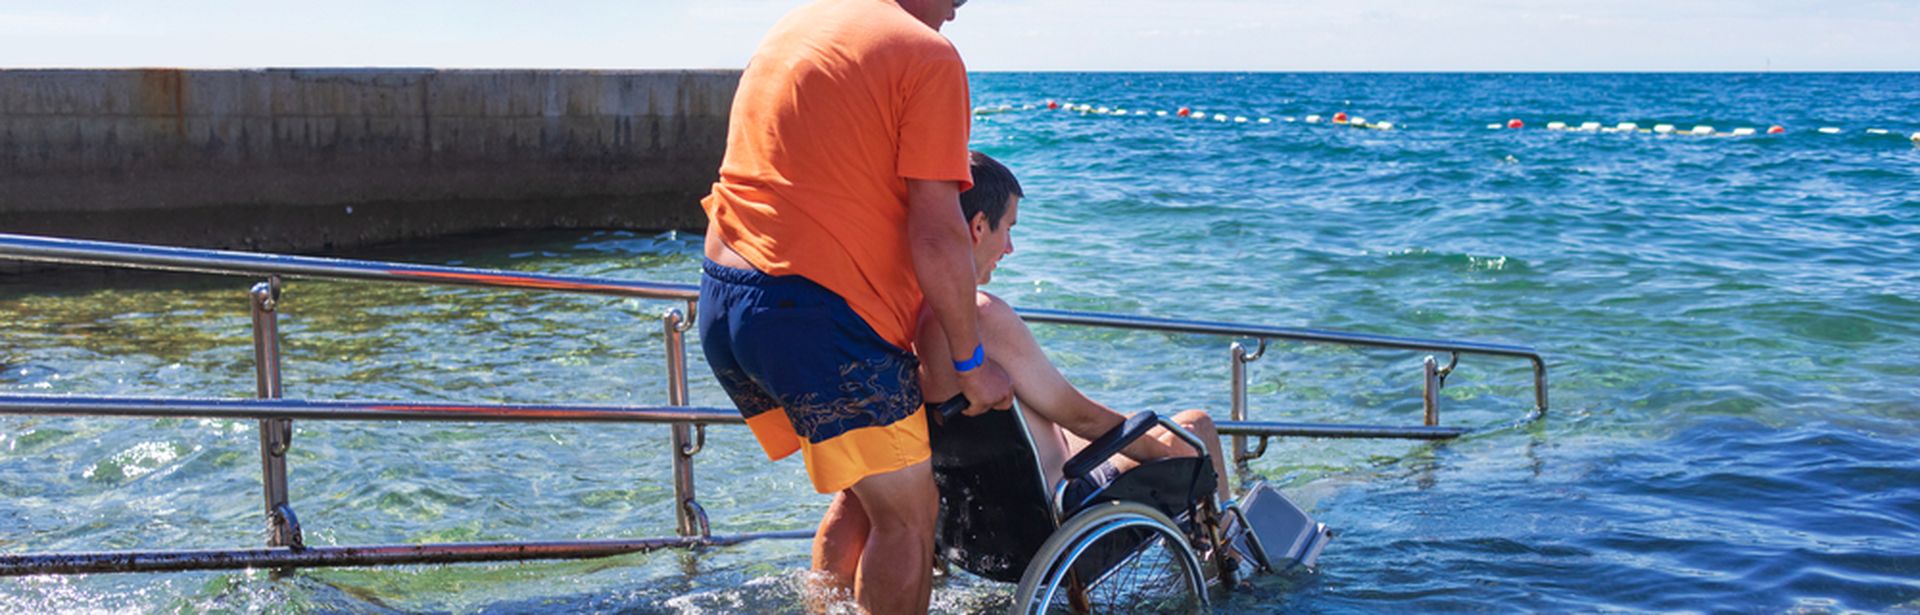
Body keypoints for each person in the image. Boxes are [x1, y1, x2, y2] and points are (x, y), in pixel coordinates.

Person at [695, 0, 1011, 613]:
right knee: (910, 517)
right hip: (816, 315)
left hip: (726, 299)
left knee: (866, 493)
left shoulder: (800, 24)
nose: (954, 15)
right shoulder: (926, 53)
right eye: (956, 1)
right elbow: (938, 230)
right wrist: (971, 363)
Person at [917, 152, 1233, 506]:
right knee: (1194, 428)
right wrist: (1165, 455)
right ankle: (1228, 541)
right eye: (1008, 229)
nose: (1010, 248)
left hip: (990, 507)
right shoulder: (984, 316)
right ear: (978, 227)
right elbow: (1082, 418)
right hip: (1062, 500)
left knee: (1135, 424)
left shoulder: (915, 318)